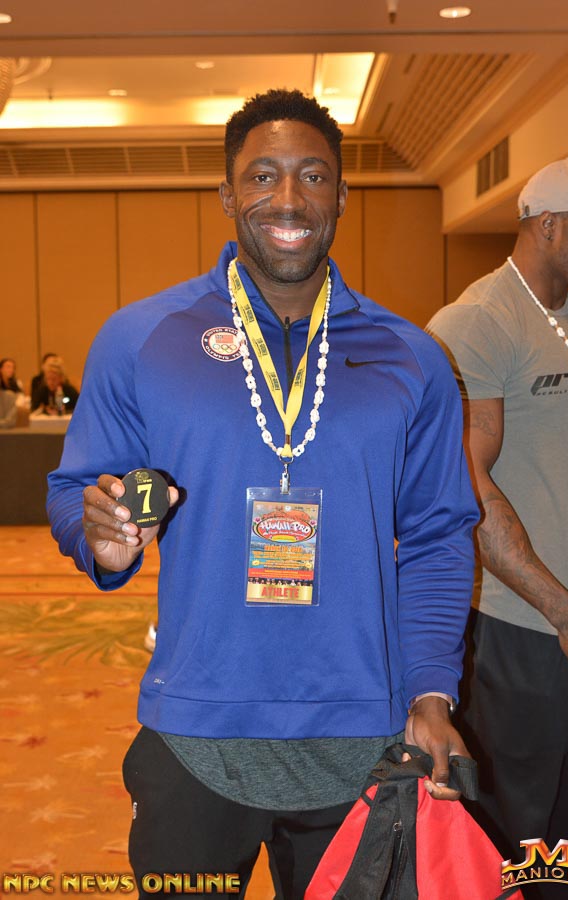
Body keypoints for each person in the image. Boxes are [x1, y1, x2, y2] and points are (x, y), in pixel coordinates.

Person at [47, 89, 479, 899]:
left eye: (313, 176)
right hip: (195, 728)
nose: (287, 199)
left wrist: (430, 690)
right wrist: (95, 532)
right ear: (227, 194)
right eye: (262, 176)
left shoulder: (410, 357)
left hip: (362, 731)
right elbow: (78, 486)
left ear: (341, 196)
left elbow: (437, 533)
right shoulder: (141, 338)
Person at [427, 157, 568, 898]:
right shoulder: (477, 322)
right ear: (549, 224)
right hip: (525, 629)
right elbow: (466, 489)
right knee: (511, 833)